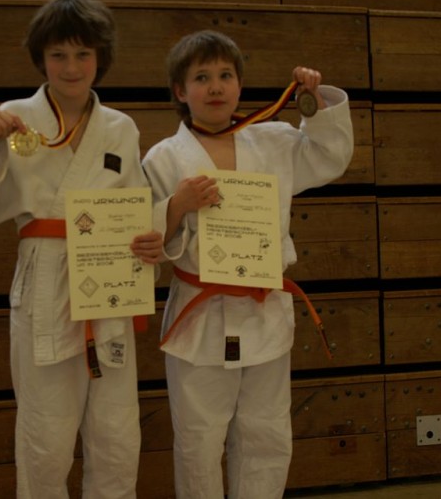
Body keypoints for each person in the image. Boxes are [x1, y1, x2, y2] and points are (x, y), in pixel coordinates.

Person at [0, 0, 162, 499]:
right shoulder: (15, 117)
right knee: (46, 433)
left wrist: (149, 242)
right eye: (59, 55)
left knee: (116, 432)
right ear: (41, 59)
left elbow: (138, 206)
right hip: (45, 283)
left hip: (108, 281)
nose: (71, 67)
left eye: (83, 54)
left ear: (100, 57)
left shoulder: (120, 127)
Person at [141, 30, 354, 499]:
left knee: (267, 434)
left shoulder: (273, 141)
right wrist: (177, 204)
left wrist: (313, 101)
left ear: (239, 85)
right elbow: (145, 240)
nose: (215, 87)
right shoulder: (165, 157)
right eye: (201, 77)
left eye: (225, 75)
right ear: (180, 91)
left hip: (263, 310)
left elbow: (330, 157)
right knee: (198, 440)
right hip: (199, 315)